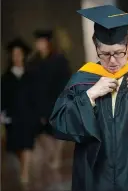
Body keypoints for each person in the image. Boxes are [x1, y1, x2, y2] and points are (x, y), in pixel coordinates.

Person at [49, 5, 128, 191]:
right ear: (96, 46)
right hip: (96, 178)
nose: (113, 61)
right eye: (105, 54)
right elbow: (59, 124)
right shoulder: (82, 81)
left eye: (118, 53)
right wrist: (89, 96)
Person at [27, 30, 71, 168]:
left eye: (41, 41)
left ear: (47, 43)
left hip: (56, 99)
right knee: (41, 133)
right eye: (37, 42)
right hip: (39, 102)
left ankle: (56, 157)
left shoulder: (58, 59)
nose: (38, 44)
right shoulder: (34, 61)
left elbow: (65, 80)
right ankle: (52, 154)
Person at [1, 38, 38, 183]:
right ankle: (23, 167)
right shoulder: (6, 78)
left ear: (23, 55)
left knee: (27, 144)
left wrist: (38, 113)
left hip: (28, 115)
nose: (16, 56)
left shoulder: (30, 76)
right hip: (12, 117)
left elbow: (36, 96)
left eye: (19, 53)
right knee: (16, 147)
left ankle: (25, 173)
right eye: (14, 54)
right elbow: (2, 97)